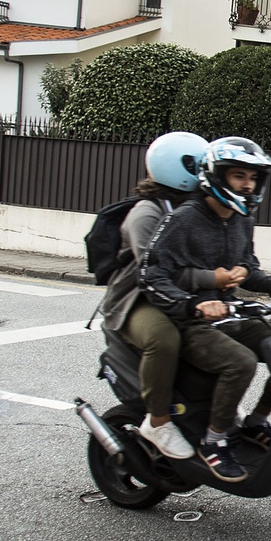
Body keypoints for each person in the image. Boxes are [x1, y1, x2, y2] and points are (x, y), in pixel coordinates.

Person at [137, 136, 271, 484]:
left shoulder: (242, 218)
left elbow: (248, 268)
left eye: (253, 178)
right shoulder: (184, 219)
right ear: (216, 175)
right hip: (191, 321)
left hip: (230, 313)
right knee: (239, 363)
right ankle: (215, 440)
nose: (248, 185)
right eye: (238, 176)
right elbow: (152, 275)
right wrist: (194, 304)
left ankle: (257, 420)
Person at [100, 131, 217, 461]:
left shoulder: (193, 209)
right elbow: (159, 273)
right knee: (163, 339)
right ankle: (158, 421)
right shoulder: (146, 214)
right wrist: (213, 278)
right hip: (136, 301)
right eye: (200, 167)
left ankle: (215, 414)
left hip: (176, 296)